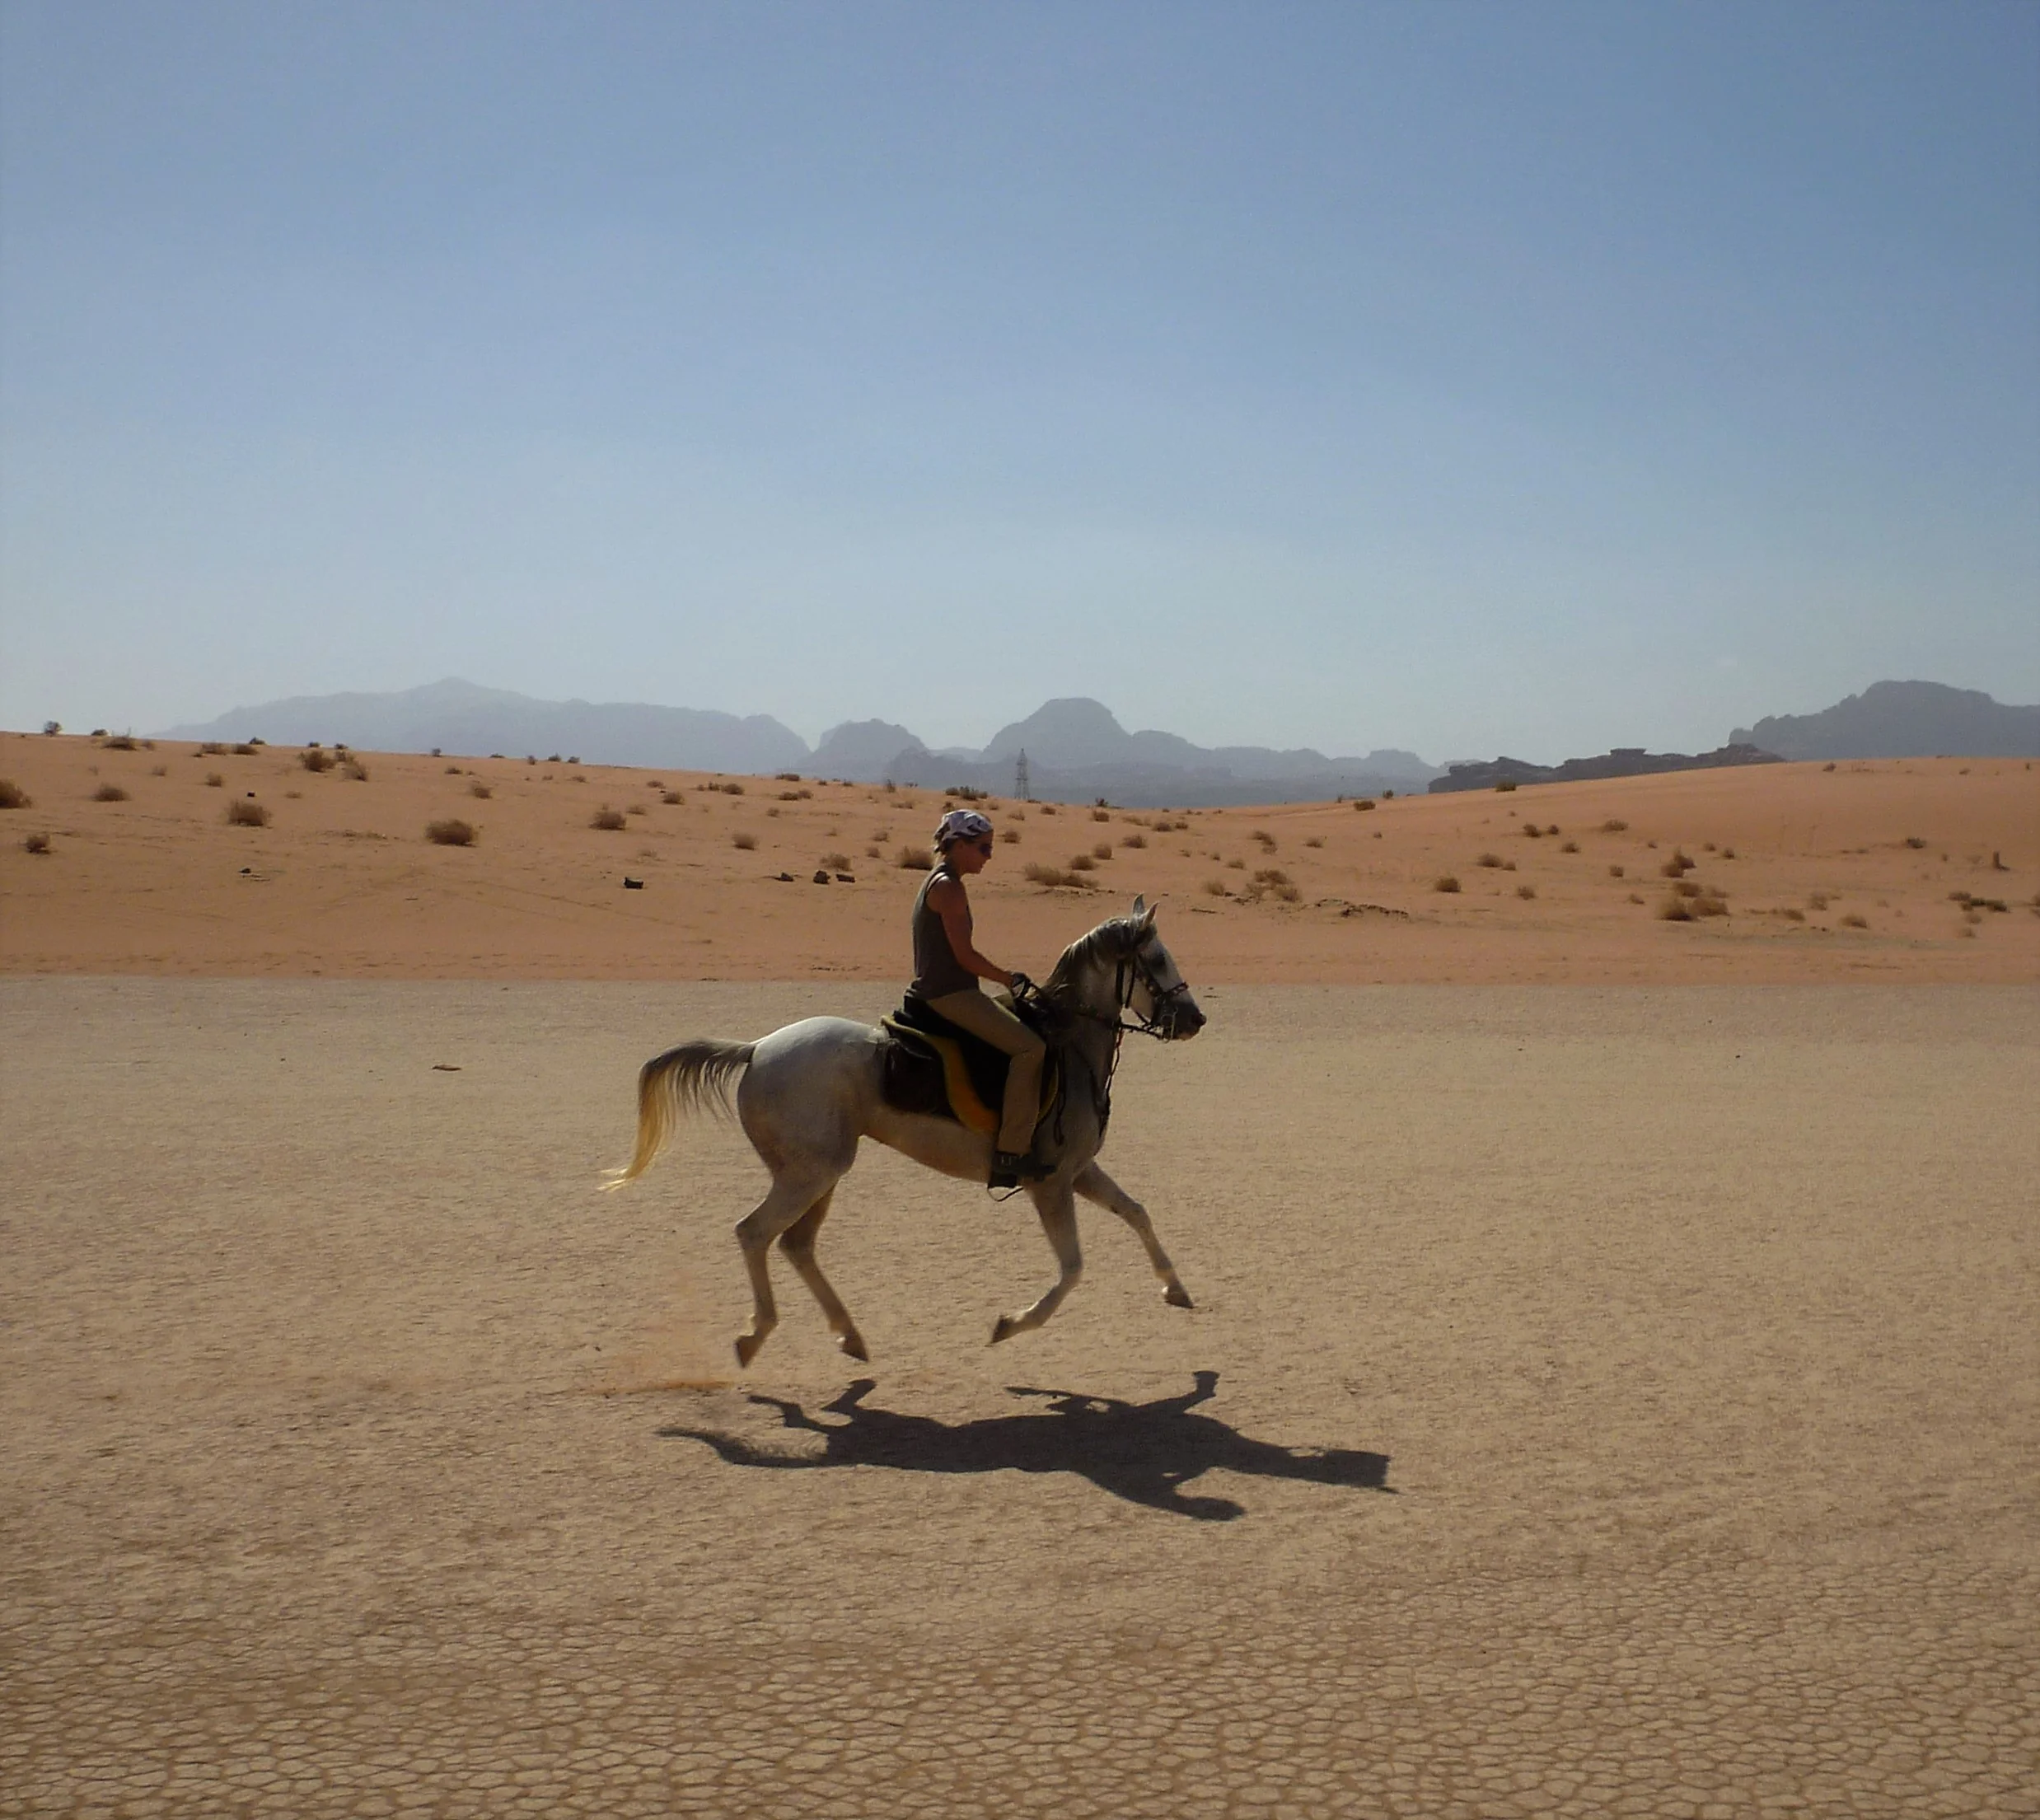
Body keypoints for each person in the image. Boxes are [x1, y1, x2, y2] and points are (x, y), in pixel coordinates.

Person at [911, 807, 1049, 1188]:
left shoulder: (941, 880)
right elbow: (965, 956)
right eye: (984, 848)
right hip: (949, 995)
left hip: (948, 989)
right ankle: (1011, 1152)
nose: (989, 856)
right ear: (959, 846)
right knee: (1031, 1049)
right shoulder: (949, 888)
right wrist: (1008, 979)